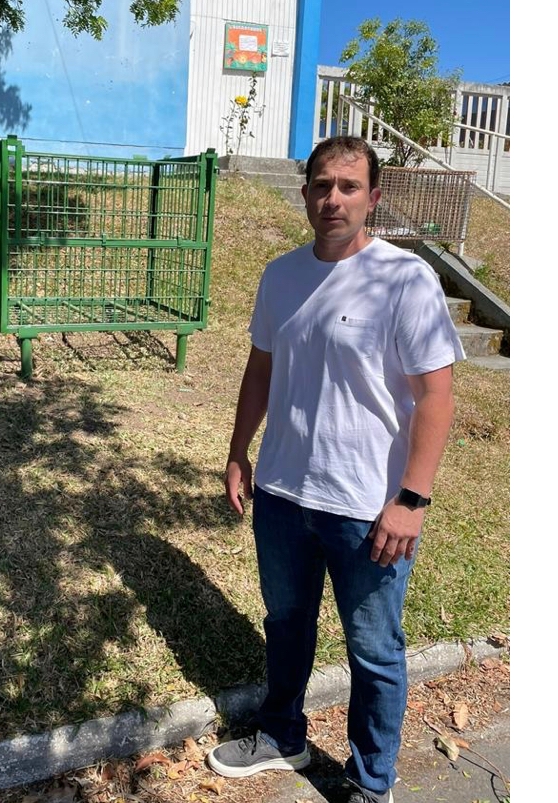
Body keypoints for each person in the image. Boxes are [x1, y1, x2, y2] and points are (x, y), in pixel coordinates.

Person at [206, 136, 466, 803]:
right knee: (286, 622)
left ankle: (370, 779)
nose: (333, 198)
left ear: (374, 196)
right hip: (284, 492)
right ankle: (282, 733)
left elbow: (436, 395)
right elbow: (261, 370)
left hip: (369, 506)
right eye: (322, 185)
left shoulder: (404, 279)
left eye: (349, 186)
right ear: (305, 194)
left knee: (374, 649)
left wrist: (413, 497)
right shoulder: (280, 275)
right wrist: (239, 451)